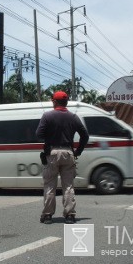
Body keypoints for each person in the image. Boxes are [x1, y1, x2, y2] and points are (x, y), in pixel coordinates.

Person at [36, 91, 89, 224]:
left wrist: (50, 134)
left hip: (52, 154)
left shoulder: (47, 116)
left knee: (49, 186)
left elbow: (39, 134)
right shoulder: (73, 117)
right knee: (68, 186)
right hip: (68, 154)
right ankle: (70, 215)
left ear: (54, 101)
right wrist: (78, 151)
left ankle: (47, 215)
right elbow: (85, 135)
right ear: (66, 102)